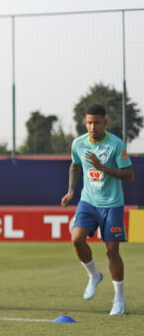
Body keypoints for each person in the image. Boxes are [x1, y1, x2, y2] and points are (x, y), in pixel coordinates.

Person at [61, 103, 134, 316]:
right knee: (76, 239)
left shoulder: (115, 144)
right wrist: (70, 191)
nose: (93, 127)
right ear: (85, 122)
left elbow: (129, 175)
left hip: (112, 203)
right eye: (89, 122)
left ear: (106, 123)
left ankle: (119, 299)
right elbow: (74, 165)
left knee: (112, 251)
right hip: (88, 201)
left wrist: (103, 168)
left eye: (97, 122)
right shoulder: (79, 143)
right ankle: (94, 275)